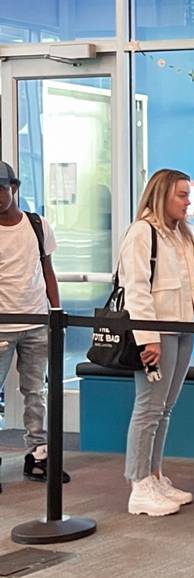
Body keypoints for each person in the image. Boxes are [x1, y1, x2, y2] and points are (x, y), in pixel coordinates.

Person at [119, 168, 194, 517]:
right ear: (162, 195)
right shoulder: (142, 232)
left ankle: (154, 475)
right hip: (157, 331)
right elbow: (137, 288)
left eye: (188, 195)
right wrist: (148, 338)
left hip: (182, 326)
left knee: (165, 408)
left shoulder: (180, 234)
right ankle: (139, 483)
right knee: (148, 407)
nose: (187, 201)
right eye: (181, 195)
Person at [0, 160, 69, 486]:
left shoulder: (36, 225)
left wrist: (57, 313)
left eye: (2, 188)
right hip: (1, 324)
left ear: (13, 187)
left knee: (35, 390)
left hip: (37, 320)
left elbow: (47, 270)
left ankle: (38, 453)